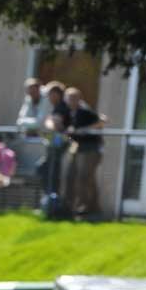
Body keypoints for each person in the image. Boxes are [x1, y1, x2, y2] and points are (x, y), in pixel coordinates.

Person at [62, 87, 105, 217]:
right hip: (79, 148)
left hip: (91, 148)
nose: (71, 101)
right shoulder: (69, 113)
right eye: (69, 98)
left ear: (79, 99)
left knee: (85, 177)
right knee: (73, 176)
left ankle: (90, 207)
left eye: (74, 98)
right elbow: (70, 132)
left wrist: (85, 129)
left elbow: (102, 121)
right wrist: (70, 135)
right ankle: (75, 206)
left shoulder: (85, 111)